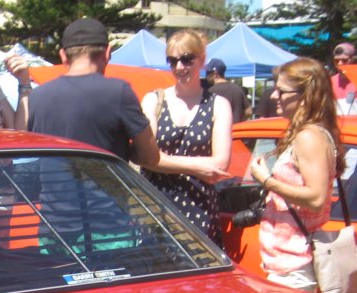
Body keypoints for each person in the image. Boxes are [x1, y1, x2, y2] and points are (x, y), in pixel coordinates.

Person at [248, 57, 346, 293]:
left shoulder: (309, 137)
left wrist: (267, 181)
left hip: (295, 266)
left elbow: (316, 197)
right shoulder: (311, 133)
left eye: (281, 91)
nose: (274, 96)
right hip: (289, 263)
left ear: (305, 95)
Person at [141, 30, 232, 243]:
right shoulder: (153, 100)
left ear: (202, 59)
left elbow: (220, 164)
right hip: (155, 208)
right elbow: (147, 157)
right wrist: (197, 167)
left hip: (199, 209)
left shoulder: (218, 104)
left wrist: (162, 159)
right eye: (172, 61)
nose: (179, 67)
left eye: (186, 59)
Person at [27, 18, 158, 165]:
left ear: (63, 56)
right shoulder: (119, 92)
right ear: (108, 52)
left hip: (54, 188)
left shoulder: (37, 96)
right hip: (105, 187)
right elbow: (151, 157)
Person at [205, 58, 251, 122]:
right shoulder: (238, 89)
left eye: (208, 73)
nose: (206, 76)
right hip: (237, 130)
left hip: (219, 131)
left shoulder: (210, 92)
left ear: (215, 74)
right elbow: (249, 112)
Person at [330, 42, 357, 115]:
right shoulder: (330, 82)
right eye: (336, 61)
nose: (340, 64)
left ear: (353, 60)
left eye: (344, 60)